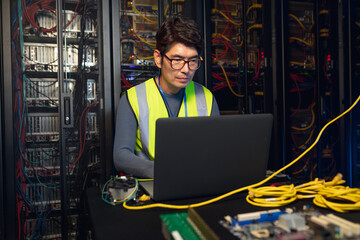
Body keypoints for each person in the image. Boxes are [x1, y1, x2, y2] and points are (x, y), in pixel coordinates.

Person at [113, 17, 220, 178]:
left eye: (193, 61)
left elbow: (217, 151)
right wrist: (165, 172)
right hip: (152, 185)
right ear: (158, 58)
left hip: (198, 182)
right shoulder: (133, 99)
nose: (186, 69)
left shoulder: (206, 98)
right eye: (177, 60)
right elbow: (121, 156)